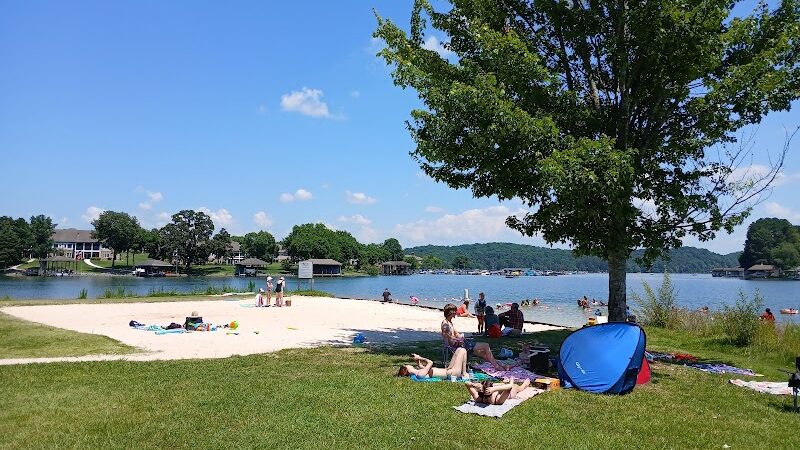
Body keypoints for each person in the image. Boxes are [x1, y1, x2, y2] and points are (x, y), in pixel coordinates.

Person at [441, 304, 508, 370]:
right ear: (451, 312)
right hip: (456, 346)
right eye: (455, 311)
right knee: (486, 345)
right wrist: (456, 338)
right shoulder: (445, 323)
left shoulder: (449, 322)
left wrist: (460, 336)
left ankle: (502, 365)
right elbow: (444, 334)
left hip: (459, 344)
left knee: (482, 353)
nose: (456, 313)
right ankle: (497, 367)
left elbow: (455, 333)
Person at [396, 348, 469, 379]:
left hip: (448, 369)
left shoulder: (418, 372)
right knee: (463, 350)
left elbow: (425, 369)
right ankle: (464, 373)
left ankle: (464, 373)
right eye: (406, 365)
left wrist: (418, 362)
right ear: (407, 369)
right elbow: (430, 362)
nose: (408, 364)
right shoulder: (419, 374)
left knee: (458, 349)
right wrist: (420, 357)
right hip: (452, 373)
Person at [465, 378, 531, 405]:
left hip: (500, 389)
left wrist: (474, 385)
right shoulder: (497, 400)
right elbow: (510, 387)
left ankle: (509, 380)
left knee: (504, 385)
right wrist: (495, 389)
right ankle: (525, 383)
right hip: (510, 392)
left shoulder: (479, 399)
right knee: (520, 387)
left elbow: (466, 383)